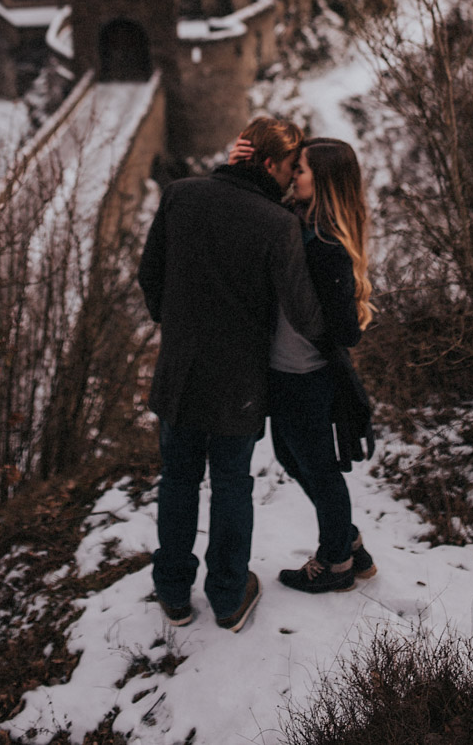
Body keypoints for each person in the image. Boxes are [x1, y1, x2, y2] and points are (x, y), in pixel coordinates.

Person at [137, 117, 325, 632]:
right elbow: (303, 313)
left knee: (177, 480)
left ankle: (173, 592)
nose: (292, 178)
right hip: (239, 383)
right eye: (289, 167)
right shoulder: (276, 223)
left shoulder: (180, 195)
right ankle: (226, 596)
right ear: (268, 164)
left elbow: (148, 274)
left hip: (180, 371)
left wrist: (174, 324)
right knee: (230, 487)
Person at [229, 133, 377, 594]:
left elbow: (345, 329)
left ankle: (335, 562)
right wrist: (239, 165)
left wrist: (314, 329)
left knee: (314, 466)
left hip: (305, 374)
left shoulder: (325, 242)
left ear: (325, 181)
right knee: (296, 458)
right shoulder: (300, 221)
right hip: (287, 369)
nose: (294, 175)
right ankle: (348, 542)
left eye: (302, 169)